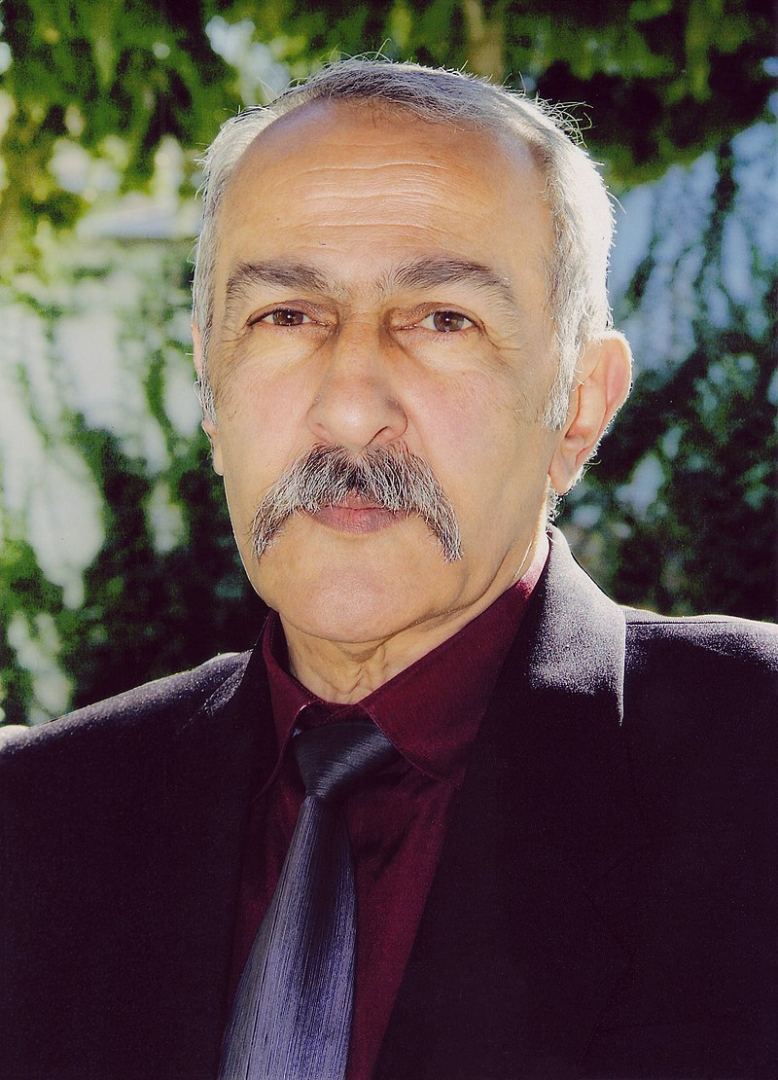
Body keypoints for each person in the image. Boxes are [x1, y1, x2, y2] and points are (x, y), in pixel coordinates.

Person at [1, 58, 775, 1080]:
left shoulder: (753, 766)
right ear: (210, 388)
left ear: (580, 407)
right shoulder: (36, 819)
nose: (351, 407)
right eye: (286, 316)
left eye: (443, 318)